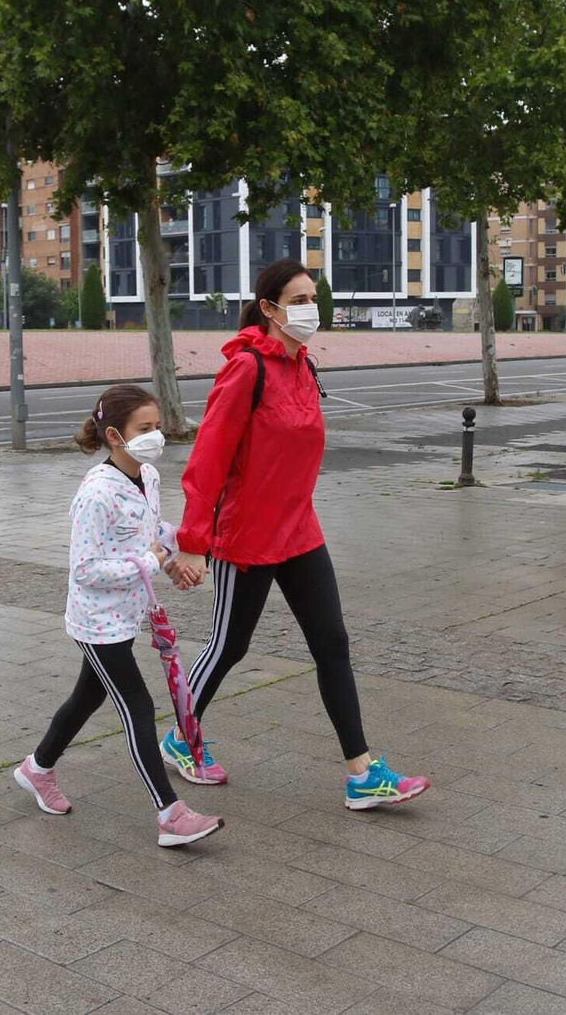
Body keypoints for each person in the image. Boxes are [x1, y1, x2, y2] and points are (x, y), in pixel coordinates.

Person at [165, 259, 431, 811]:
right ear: (269, 308)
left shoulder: (303, 366)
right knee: (229, 646)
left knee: (332, 644)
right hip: (247, 536)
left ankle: (362, 773)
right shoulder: (246, 370)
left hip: (301, 530)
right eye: (299, 300)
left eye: (314, 298)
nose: (312, 309)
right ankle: (180, 738)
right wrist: (194, 540)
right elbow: (208, 459)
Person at [14, 384, 224, 847]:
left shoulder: (147, 475)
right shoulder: (96, 494)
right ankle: (170, 814)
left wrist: (176, 556)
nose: (156, 436)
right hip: (96, 623)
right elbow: (86, 570)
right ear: (114, 435)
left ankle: (36, 769)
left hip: (127, 616)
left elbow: (149, 531)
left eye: (157, 426)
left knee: (85, 698)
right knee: (138, 707)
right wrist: (152, 561)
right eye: (144, 428)